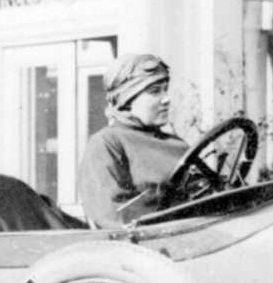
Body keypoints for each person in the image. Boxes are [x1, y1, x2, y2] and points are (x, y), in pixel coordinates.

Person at [76, 53, 190, 229]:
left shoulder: (178, 145)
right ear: (127, 100)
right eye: (155, 91)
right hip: (152, 241)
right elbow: (114, 214)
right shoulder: (108, 142)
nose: (166, 99)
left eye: (165, 89)